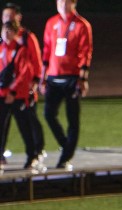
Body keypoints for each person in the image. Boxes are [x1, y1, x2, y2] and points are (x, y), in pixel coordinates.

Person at [41, 0, 91, 170]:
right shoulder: (51, 23)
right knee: (48, 114)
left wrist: (83, 79)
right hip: (54, 77)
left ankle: (65, 157)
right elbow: (47, 50)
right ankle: (66, 144)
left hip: (72, 78)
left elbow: (86, 52)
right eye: (60, 1)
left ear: (74, 3)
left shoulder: (82, 25)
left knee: (72, 119)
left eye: (66, 1)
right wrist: (43, 77)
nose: (62, 4)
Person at [0, 13, 45, 173]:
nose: (6, 34)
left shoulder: (20, 50)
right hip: (2, 95)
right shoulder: (1, 48)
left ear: (15, 33)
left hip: (17, 95)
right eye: (4, 30)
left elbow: (24, 73)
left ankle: (32, 155)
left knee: (24, 126)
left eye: (10, 31)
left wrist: (13, 90)